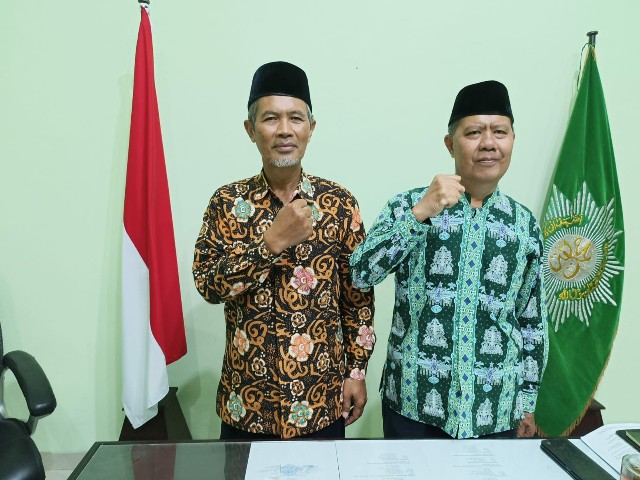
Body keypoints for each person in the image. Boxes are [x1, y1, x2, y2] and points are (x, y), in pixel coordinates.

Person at [350, 80, 548, 439]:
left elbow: (531, 322)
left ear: (512, 140)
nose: (488, 143)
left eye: (500, 132)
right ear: (450, 143)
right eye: (474, 132)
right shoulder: (408, 205)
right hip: (413, 406)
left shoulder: (524, 225)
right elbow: (361, 273)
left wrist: (527, 401)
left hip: (494, 410)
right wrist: (420, 213)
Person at [193, 61, 375, 440]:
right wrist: (269, 245)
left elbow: (357, 296)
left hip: (320, 404)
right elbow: (208, 285)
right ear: (250, 130)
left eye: (296, 118)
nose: (285, 130)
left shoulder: (339, 204)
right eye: (271, 118)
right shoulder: (227, 202)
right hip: (246, 406)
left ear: (311, 127)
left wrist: (357, 371)